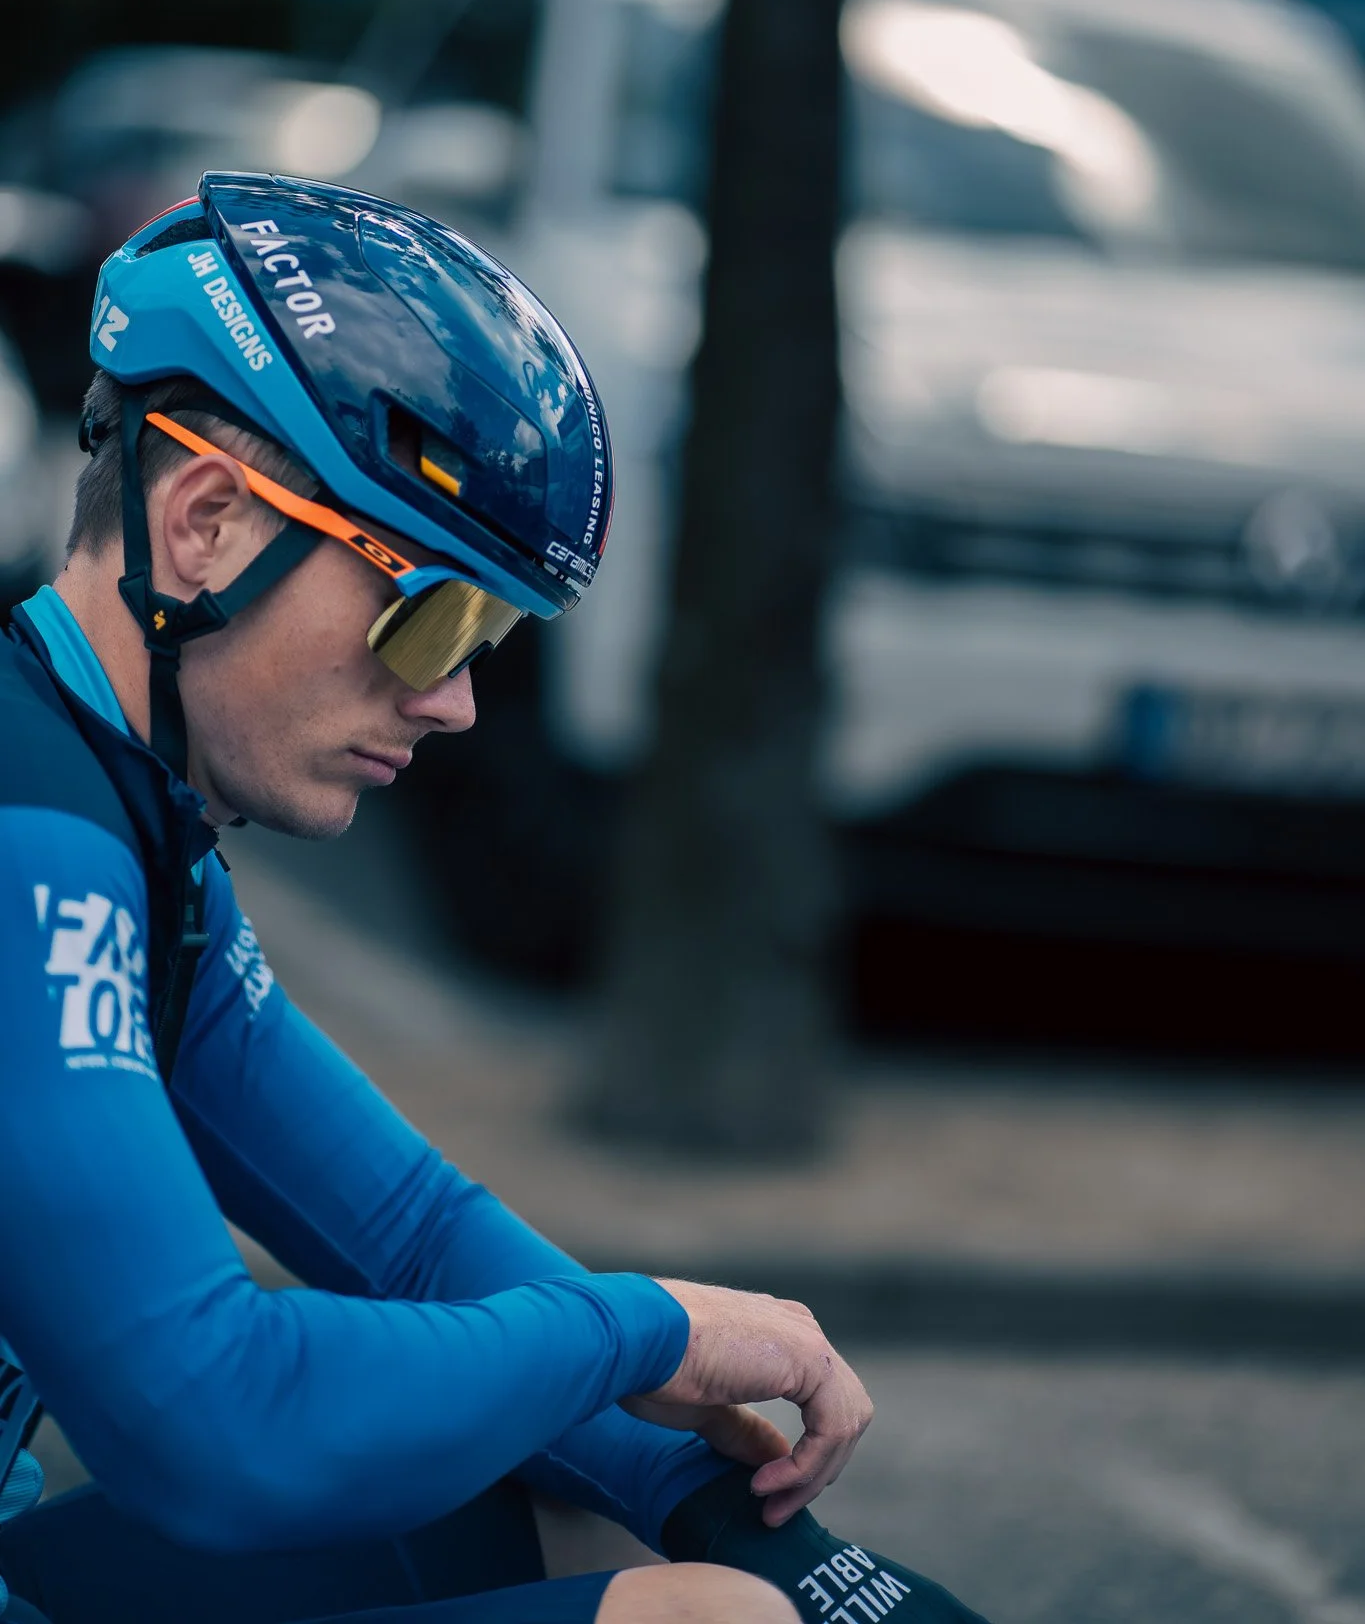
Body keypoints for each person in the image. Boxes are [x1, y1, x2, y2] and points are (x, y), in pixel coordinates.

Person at [0, 174, 987, 1624]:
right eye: (434, 611)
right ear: (207, 522)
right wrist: (642, 1327)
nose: (457, 699)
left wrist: (795, 1549)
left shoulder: (129, 828)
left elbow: (409, 1236)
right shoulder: (36, 844)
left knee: (588, 1512)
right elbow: (217, 1422)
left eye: (495, 633)